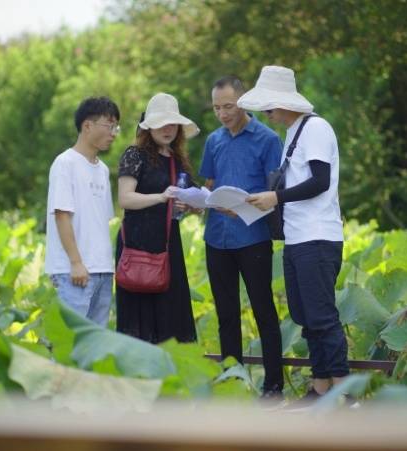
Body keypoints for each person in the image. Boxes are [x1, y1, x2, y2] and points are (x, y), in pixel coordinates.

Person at [240, 66, 348, 400]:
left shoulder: (315, 128)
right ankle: (320, 388)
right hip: (297, 236)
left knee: (322, 317)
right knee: (305, 317)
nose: (266, 113)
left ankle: (346, 395)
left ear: (285, 101)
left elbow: (320, 181)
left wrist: (277, 197)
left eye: (269, 106)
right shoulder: (294, 132)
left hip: (317, 236)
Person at [199, 76, 285, 398]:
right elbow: (210, 183)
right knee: (226, 315)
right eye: (217, 108)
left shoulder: (267, 139)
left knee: (264, 311)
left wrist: (244, 203)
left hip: (253, 237)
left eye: (228, 106)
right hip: (216, 238)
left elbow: (275, 191)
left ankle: (274, 387)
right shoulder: (213, 140)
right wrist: (197, 199)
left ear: (244, 101)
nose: (222, 114)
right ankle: (232, 384)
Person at [115, 92, 199, 344]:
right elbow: (125, 199)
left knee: (170, 314)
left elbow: (192, 201)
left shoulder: (178, 161)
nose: (167, 128)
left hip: (167, 244)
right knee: (137, 318)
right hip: (137, 244)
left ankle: (168, 378)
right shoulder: (135, 155)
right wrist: (161, 197)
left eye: (172, 123)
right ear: (148, 126)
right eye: (161, 123)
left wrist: (191, 205)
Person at [44, 96, 121, 326]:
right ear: (87, 126)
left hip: (103, 271)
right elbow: (62, 215)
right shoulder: (65, 163)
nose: (114, 132)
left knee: (94, 347)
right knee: (70, 343)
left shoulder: (103, 170)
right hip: (74, 272)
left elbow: (101, 221)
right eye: (110, 125)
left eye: (116, 126)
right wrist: (76, 262)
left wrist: (107, 268)